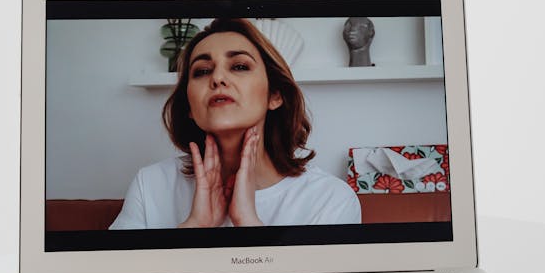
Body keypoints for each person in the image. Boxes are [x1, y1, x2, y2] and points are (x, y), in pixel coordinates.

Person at [111, 18, 361, 229]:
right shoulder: (150, 185)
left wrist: (249, 223)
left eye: (239, 66)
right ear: (188, 106)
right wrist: (195, 226)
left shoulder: (331, 199)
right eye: (202, 71)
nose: (218, 78)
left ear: (274, 95)